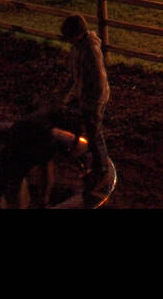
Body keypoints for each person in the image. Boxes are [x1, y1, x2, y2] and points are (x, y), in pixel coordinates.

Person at [60, 13, 110, 193]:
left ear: (78, 34)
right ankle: (93, 164)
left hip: (93, 98)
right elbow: (75, 74)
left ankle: (101, 170)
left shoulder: (90, 51)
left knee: (94, 132)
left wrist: (91, 104)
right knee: (89, 130)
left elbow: (97, 81)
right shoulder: (79, 47)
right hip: (86, 96)